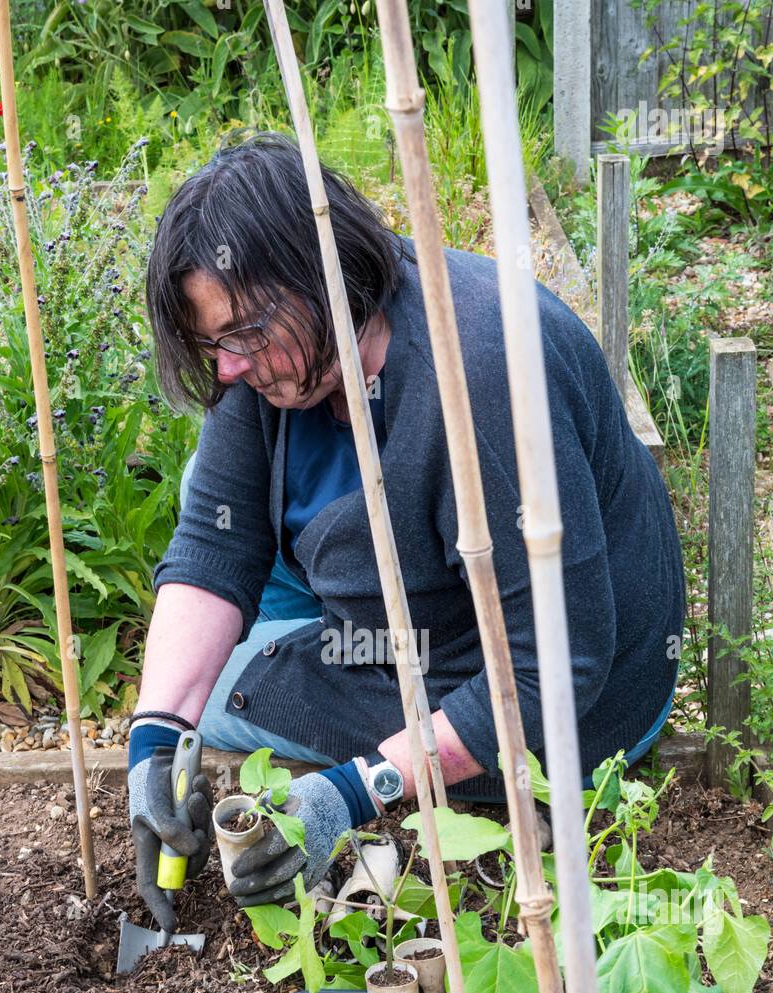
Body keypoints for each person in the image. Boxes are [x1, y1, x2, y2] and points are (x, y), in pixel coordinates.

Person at [127, 131, 685, 927]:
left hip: (581, 694)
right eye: (215, 343)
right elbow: (215, 544)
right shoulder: (283, 350)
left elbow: (554, 665)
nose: (228, 367)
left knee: (229, 685)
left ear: (322, 279)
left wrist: (353, 791)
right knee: (187, 670)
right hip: (425, 584)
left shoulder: (479, 389)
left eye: (243, 335)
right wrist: (153, 743)